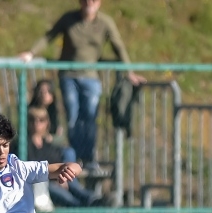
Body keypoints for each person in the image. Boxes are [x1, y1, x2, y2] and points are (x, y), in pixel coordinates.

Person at [19, 0, 145, 168]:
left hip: (91, 77)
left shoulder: (105, 22)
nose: (89, 3)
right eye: (85, 0)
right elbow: (49, 36)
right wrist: (31, 53)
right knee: (73, 115)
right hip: (69, 76)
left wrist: (129, 72)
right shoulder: (68, 19)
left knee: (90, 117)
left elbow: (118, 46)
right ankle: (75, 157)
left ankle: (89, 157)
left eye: (93, 0)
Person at [21, 106, 98, 207]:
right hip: (40, 184)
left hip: (56, 179)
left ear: (47, 123)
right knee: (51, 188)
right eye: (33, 120)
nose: (37, 123)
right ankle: (81, 207)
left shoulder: (48, 145)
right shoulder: (23, 145)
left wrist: (60, 178)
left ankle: (94, 200)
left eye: (41, 120)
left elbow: (56, 161)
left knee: (70, 181)